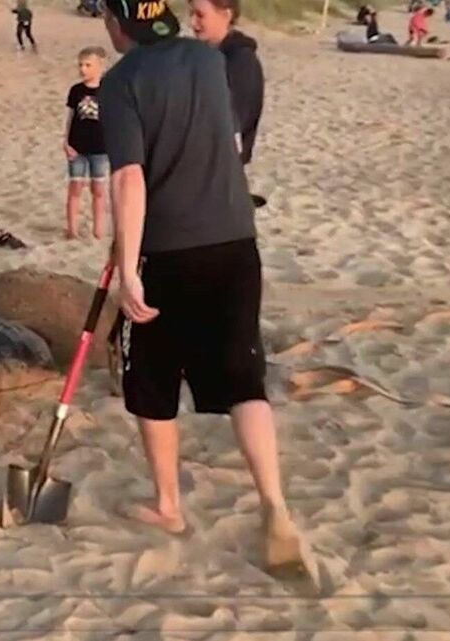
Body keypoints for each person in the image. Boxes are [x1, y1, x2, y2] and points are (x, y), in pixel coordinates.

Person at [97, 0, 304, 573]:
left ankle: (169, 506)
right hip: (236, 241)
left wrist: (130, 265)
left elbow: (128, 177)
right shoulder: (208, 61)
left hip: (170, 248)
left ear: (118, 26)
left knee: (154, 380)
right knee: (244, 376)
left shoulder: (121, 82)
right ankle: (275, 505)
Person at [189, 0, 263, 167]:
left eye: (200, 15)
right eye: (191, 14)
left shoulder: (242, 63)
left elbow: (233, 125)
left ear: (226, 15)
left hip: (221, 170)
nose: (192, 22)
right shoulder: (202, 56)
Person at [63, 46, 110, 240]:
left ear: (100, 66)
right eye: (80, 65)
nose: (83, 69)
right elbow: (71, 116)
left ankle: (98, 230)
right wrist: (65, 141)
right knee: (75, 188)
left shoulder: (108, 90)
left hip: (100, 148)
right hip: (77, 147)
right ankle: (72, 230)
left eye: (88, 65)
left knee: (98, 190)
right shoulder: (76, 91)